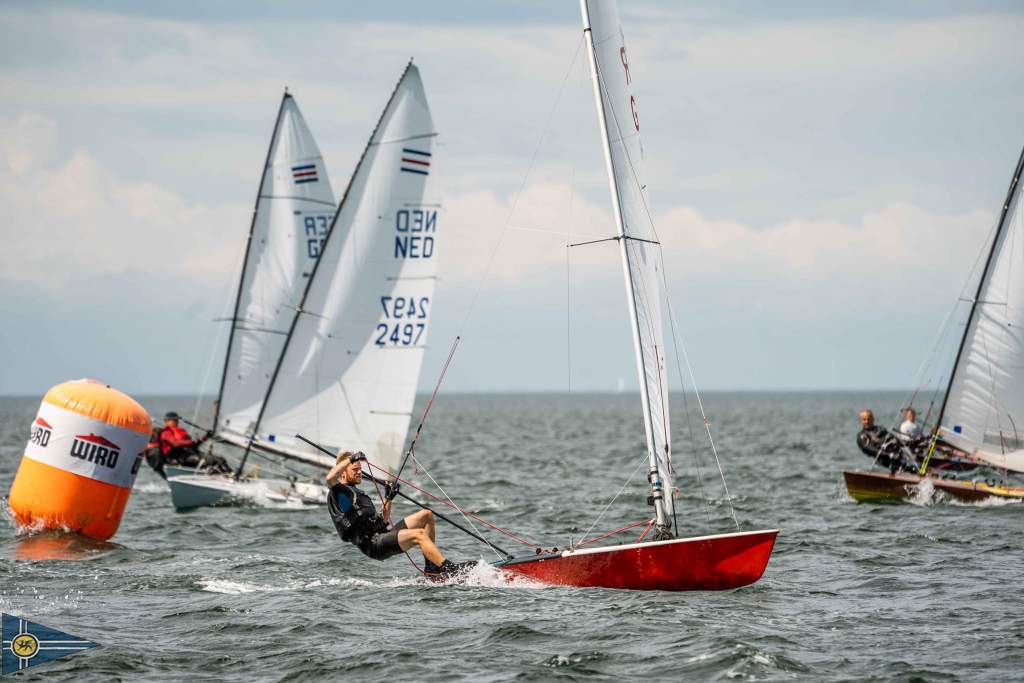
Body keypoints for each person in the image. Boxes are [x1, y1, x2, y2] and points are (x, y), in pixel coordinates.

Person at [325, 450, 473, 578]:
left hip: (382, 535)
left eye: (360, 469)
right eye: (355, 469)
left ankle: (432, 569)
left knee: (426, 515)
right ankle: (449, 569)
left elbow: (383, 518)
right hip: (373, 544)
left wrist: (389, 497)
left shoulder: (359, 494)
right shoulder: (340, 493)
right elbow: (329, 478)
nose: (360, 472)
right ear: (343, 472)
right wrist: (351, 459)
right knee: (419, 534)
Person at [857, 409, 911, 473]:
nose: (867, 421)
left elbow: (894, 438)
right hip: (883, 460)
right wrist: (889, 455)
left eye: (869, 419)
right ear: (861, 421)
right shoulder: (862, 435)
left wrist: (909, 443)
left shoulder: (880, 429)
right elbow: (870, 449)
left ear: (873, 419)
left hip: (897, 455)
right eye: (864, 419)